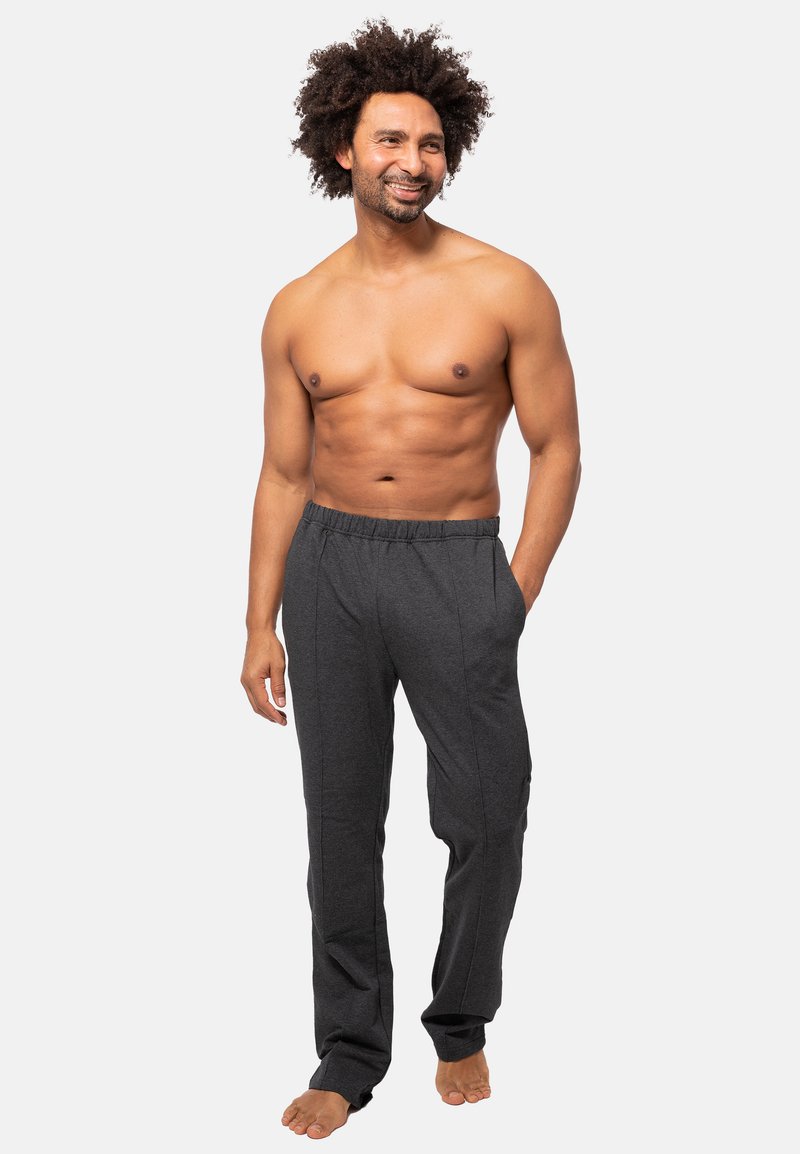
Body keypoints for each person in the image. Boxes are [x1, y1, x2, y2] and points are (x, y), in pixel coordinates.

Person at [241, 17, 581, 1141]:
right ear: (344, 147)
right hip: (328, 568)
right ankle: (349, 1050)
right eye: (390, 140)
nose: (412, 161)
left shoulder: (504, 286)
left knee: (487, 811)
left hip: (455, 562)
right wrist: (258, 621)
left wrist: (511, 593)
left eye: (430, 143)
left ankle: (461, 1016)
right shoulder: (297, 306)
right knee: (341, 825)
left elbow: (557, 449)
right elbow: (283, 471)